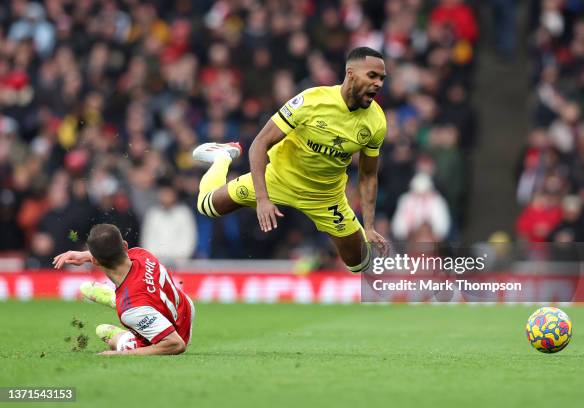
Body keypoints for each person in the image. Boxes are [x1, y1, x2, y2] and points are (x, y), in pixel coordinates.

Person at [192, 47, 388, 272]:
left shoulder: (376, 122)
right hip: (277, 179)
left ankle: (348, 239)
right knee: (206, 206)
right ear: (351, 74)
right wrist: (263, 199)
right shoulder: (310, 101)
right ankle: (222, 156)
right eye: (372, 76)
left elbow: (368, 174)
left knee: (359, 264)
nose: (378, 83)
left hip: (326, 197)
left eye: (382, 78)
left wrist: (370, 226)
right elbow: (259, 145)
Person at [52, 224, 195, 356]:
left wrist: (119, 354)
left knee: (112, 338)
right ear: (125, 246)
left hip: (177, 333)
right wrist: (85, 255)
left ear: (95, 261)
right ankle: (118, 300)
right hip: (184, 308)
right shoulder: (141, 254)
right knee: (140, 299)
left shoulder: (131, 311)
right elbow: (113, 252)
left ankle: (123, 322)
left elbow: (176, 345)